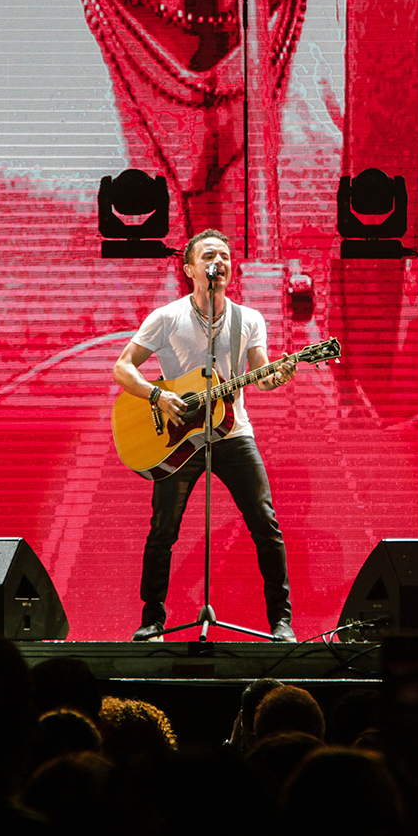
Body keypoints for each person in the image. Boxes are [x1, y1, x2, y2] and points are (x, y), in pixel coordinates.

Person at [113, 229, 297, 642]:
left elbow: (261, 376)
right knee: (163, 528)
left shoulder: (248, 319)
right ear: (190, 269)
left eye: (226, 256)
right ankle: (152, 620)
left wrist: (278, 376)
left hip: (232, 432)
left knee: (265, 523)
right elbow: (123, 368)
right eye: (210, 255)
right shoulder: (167, 317)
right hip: (178, 438)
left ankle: (281, 621)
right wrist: (157, 395)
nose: (220, 261)